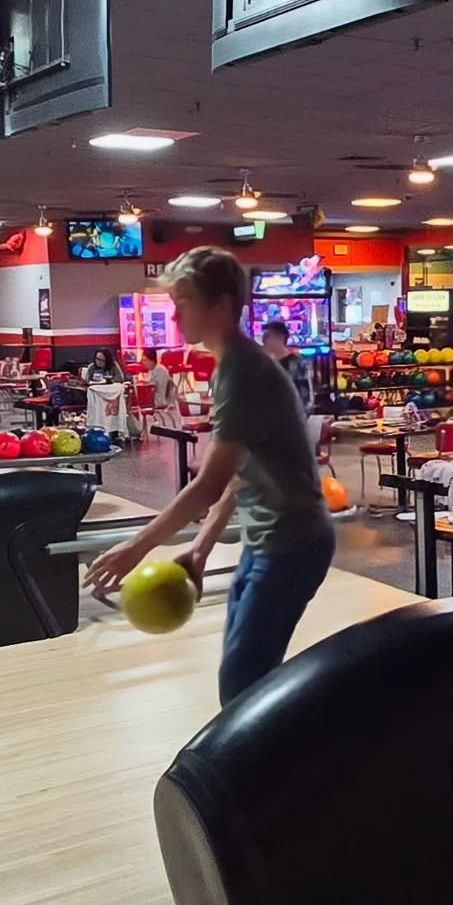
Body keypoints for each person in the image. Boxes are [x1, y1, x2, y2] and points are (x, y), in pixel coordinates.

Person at [86, 247, 334, 706]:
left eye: (183, 303)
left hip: (293, 545)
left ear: (220, 305)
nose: (174, 316)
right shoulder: (234, 367)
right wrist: (200, 548)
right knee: (243, 682)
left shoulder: (243, 371)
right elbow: (240, 475)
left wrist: (136, 547)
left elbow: (208, 485)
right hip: (271, 541)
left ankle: (292, 750)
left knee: (242, 686)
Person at [260, 321, 314, 412]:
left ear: (280, 338)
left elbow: (306, 398)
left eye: (267, 336)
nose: (263, 341)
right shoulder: (264, 364)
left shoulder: (297, 363)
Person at [141, 348, 182, 431]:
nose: (143, 363)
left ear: (152, 360)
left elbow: (156, 388)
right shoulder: (152, 370)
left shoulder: (159, 370)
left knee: (134, 404)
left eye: (145, 360)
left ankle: (137, 430)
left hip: (159, 400)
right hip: (154, 398)